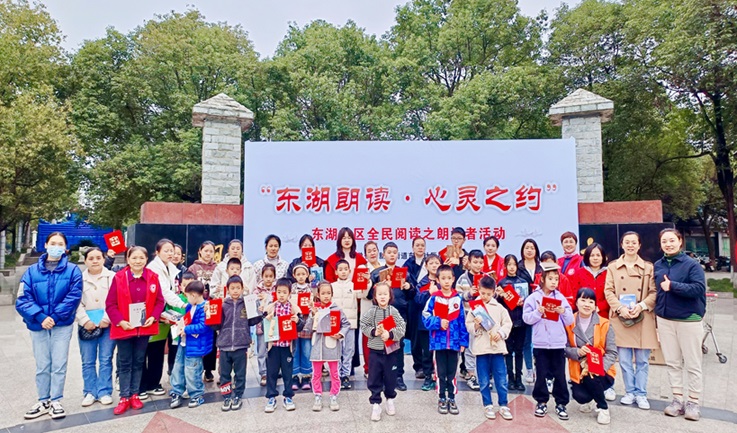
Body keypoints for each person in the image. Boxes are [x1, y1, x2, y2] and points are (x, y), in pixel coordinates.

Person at [17, 232, 83, 420]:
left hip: (61, 324)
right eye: (53, 243)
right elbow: (22, 298)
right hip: (38, 325)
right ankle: (43, 400)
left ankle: (56, 400)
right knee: (42, 364)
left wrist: (53, 317)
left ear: (66, 248)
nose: (56, 246)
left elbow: (73, 297)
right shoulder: (31, 271)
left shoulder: (73, 270)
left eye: (60, 244)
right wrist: (40, 316)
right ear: (45, 245)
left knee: (59, 363)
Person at [654, 228, 706, 421]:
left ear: (680, 241)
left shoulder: (691, 265)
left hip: (688, 320)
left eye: (671, 240)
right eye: (664, 241)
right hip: (665, 320)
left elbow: (698, 289)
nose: (668, 244)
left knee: (692, 363)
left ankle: (693, 402)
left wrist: (673, 286)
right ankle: (677, 400)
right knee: (672, 362)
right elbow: (657, 292)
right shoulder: (658, 265)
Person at [105, 246, 165, 415]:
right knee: (125, 363)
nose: (138, 261)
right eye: (134, 258)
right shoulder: (119, 277)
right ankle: (124, 397)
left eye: (141, 258)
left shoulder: (153, 277)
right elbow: (110, 304)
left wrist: (153, 316)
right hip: (124, 328)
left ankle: (134, 394)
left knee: (139, 361)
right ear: (128, 259)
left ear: (146, 259)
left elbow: (159, 301)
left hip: (143, 328)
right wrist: (120, 321)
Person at [604, 231, 658, 410]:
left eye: (634, 242)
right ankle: (629, 392)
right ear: (622, 244)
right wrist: (620, 308)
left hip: (642, 316)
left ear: (639, 245)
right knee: (625, 360)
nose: (630, 245)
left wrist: (641, 306)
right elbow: (608, 291)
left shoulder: (648, 268)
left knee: (642, 360)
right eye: (627, 242)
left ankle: (641, 394)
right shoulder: (613, 267)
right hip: (621, 317)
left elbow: (654, 292)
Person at [523, 262, 574, 420]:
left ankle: (561, 403)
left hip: (558, 343)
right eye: (550, 278)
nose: (554, 282)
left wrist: (563, 311)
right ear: (543, 279)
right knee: (541, 374)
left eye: (556, 279)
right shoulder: (534, 298)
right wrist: (538, 313)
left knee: (559, 374)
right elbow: (526, 318)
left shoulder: (560, 297)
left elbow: (570, 320)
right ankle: (541, 401)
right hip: (540, 343)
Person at [141, 239, 188, 399]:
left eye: (171, 250)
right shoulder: (153, 268)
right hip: (151, 314)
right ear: (157, 252)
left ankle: (153, 383)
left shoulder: (171, 268)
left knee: (158, 349)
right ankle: (142, 386)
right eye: (166, 250)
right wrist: (182, 304)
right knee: (147, 349)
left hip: (164, 314)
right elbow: (165, 292)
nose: (170, 253)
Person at [564, 288, 618, 425]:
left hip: (602, 371)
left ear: (595, 306)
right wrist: (577, 352)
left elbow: (612, 352)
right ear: (576, 302)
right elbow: (563, 348)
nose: (587, 305)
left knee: (592, 376)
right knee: (580, 397)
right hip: (579, 369)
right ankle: (592, 397)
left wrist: (600, 368)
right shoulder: (569, 322)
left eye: (591, 302)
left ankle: (603, 407)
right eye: (583, 300)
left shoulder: (604, 324)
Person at [210, 276, 262, 411]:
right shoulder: (222, 305)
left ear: (242, 289)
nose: (235, 291)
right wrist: (209, 314)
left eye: (238, 288)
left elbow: (253, 321)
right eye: (232, 288)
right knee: (224, 374)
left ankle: (238, 395)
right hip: (224, 345)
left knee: (240, 374)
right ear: (227, 289)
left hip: (241, 345)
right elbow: (215, 325)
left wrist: (259, 309)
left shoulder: (246, 304)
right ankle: (226, 397)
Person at [422, 264, 470, 416]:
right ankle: (442, 397)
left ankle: (452, 398)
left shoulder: (458, 299)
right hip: (439, 343)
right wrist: (438, 322)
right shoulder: (434, 298)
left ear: (454, 279)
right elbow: (425, 317)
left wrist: (463, 342)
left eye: (449, 278)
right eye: (443, 278)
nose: (447, 281)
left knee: (452, 372)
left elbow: (462, 322)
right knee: (440, 372)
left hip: (454, 343)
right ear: (437, 280)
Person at [368, 242, 416, 391]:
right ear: (383, 254)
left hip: (399, 314)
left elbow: (412, 294)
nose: (392, 255)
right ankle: (382, 378)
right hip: (382, 315)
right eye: (389, 252)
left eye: (395, 252)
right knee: (382, 346)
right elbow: (369, 295)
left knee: (398, 346)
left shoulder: (404, 273)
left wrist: (408, 287)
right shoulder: (377, 273)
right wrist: (376, 287)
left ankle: (398, 377)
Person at [467, 276, 513, 420]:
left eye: (488, 294)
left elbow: (508, 323)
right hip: (481, 349)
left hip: (497, 348)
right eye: (482, 293)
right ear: (478, 290)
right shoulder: (475, 307)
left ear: (493, 292)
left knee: (501, 378)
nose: (485, 296)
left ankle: (503, 405)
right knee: (483, 379)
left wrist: (501, 333)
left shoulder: (499, 308)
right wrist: (475, 326)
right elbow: (468, 325)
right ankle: (487, 405)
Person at [361, 282, 407, 422]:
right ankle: (376, 403)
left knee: (390, 377)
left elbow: (402, 327)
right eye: (379, 294)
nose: (382, 297)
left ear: (390, 296)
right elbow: (363, 324)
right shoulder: (372, 312)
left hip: (391, 352)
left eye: (385, 294)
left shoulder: (393, 311)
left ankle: (390, 398)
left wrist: (390, 335)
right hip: (375, 352)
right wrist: (374, 332)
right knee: (374, 377)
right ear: (375, 296)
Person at [76, 247, 116, 407]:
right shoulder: (78, 279)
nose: (95, 261)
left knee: (106, 359)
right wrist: (84, 320)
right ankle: (90, 392)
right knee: (88, 360)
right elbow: (75, 302)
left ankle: (104, 391)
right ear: (85, 261)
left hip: (108, 323)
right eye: (91, 258)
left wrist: (107, 318)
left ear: (104, 259)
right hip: (86, 325)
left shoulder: (112, 277)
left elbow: (116, 299)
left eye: (98, 258)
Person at [305, 281, 351, 412]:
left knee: (334, 373)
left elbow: (346, 324)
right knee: (316, 373)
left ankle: (334, 395)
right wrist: (313, 315)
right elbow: (308, 327)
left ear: (332, 294)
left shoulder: (337, 309)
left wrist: (340, 334)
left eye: (328, 293)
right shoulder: (315, 309)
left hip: (332, 344)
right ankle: (317, 395)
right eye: (323, 293)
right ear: (318, 295)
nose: (326, 296)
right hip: (317, 346)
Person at [263, 278, 306, 413]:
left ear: (289, 294)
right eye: (279, 292)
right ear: (275, 292)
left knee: (288, 372)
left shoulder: (294, 308)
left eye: (284, 292)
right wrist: (267, 319)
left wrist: (297, 320)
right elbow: (263, 325)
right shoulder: (271, 307)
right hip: (274, 346)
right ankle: (271, 397)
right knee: (272, 372)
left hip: (287, 346)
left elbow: (301, 326)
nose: (281, 295)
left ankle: (288, 396)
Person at [169, 281, 212, 409]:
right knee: (178, 368)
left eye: (187, 296)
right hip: (184, 342)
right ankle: (177, 392)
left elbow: (204, 326)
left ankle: (196, 395)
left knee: (193, 371)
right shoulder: (190, 306)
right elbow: (186, 319)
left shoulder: (205, 308)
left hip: (195, 346)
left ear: (193, 295)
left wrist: (186, 329)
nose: (186, 299)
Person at [496, 254, 529, 392]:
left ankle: (519, 379)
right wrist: (500, 295)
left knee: (519, 350)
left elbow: (529, 301)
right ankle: (510, 378)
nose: (511, 267)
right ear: (505, 266)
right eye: (509, 264)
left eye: (514, 264)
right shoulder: (502, 284)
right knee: (508, 351)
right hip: (507, 322)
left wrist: (523, 302)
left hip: (521, 320)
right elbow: (497, 304)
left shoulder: (523, 282)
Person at [454, 249, 486, 390]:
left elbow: (493, 296)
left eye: (480, 262)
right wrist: (468, 294)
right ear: (469, 262)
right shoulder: (462, 278)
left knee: (482, 347)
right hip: (468, 317)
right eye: (475, 262)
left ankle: (482, 376)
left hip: (483, 317)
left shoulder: (486, 278)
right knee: (470, 347)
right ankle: (471, 375)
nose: (478, 265)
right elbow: (456, 297)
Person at [187, 240, 218, 382]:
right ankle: (196, 368)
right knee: (198, 337)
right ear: (200, 251)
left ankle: (209, 370)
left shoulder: (217, 268)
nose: (208, 254)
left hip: (212, 306)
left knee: (211, 337)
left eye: (211, 251)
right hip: (197, 306)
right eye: (206, 251)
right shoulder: (193, 268)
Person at [414, 253, 441, 391]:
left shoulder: (444, 281)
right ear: (426, 266)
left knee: (440, 351)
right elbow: (418, 300)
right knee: (427, 352)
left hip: (441, 323)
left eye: (437, 263)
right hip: (425, 324)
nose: (434, 265)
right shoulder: (422, 283)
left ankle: (440, 378)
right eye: (431, 263)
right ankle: (428, 378)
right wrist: (429, 293)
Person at [332, 260, 359, 390]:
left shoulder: (354, 286)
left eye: (345, 269)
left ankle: (346, 375)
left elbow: (363, 294)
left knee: (349, 350)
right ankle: (336, 375)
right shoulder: (331, 286)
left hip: (350, 324)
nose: (343, 272)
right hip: (335, 324)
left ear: (349, 271)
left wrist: (367, 281)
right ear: (336, 272)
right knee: (336, 350)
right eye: (340, 269)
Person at [402, 237, 427, 380]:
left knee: (427, 335)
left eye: (422, 245)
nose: (420, 247)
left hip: (427, 302)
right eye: (417, 245)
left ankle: (429, 365)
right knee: (415, 336)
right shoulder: (408, 264)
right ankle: (418, 366)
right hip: (412, 303)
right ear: (412, 248)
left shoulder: (429, 262)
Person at [290, 262, 314, 390]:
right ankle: (294, 376)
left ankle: (306, 376)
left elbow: (314, 306)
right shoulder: (291, 289)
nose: (300, 276)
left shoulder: (311, 289)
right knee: (295, 350)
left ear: (307, 275)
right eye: (298, 274)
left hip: (307, 324)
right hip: (294, 323)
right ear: (294, 275)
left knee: (306, 350)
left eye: (303, 274)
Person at [360, 241, 383, 377]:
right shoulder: (363, 269)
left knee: (382, 339)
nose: (372, 253)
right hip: (368, 309)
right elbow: (361, 293)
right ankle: (368, 369)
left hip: (383, 310)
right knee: (368, 340)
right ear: (365, 255)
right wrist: (369, 282)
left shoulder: (384, 267)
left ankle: (381, 369)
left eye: (374, 250)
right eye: (369, 251)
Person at [252, 263, 277, 386]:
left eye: (271, 276)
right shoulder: (256, 291)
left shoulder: (277, 290)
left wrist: (269, 297)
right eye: (266, 276)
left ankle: (273, 371)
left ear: (274, 277)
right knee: (261, 350)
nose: (268, 279)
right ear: (262, 276)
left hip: (273, 325)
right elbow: (252, 306)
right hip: (261, 325)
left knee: (273, 350)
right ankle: (263, 373)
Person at [572, 243, 609, 318]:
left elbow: (612, 294)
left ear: (603, 257)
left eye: (598, 255)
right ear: (587, 257)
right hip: (583, 314)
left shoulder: (609, 273)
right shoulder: (579, 273)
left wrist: (599, 307)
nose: (595, 258)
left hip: (604, 315)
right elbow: (575, 294)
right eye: (592, 255)